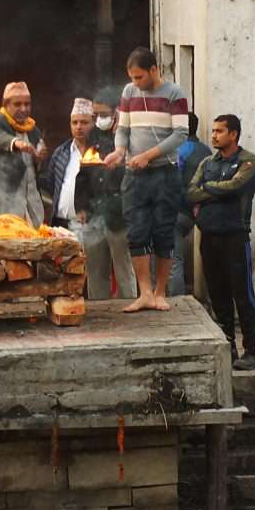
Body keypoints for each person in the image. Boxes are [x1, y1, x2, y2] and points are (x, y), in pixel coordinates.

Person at [103, 47, 189, 312]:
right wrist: (119, 151)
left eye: (140, 77)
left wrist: (148, 155)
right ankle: (145, 293)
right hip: (134, 174)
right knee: (137, 232)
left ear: (154, 70)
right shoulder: (129, 93)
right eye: (132, 77)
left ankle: (161, 292)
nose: (136, 83)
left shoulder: (175, 93)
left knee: (164, 231)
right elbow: (123, 128)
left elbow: (180, 134)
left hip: (164, 171)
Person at [187, 114, 255, 370]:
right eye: (214, 131)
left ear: (234, 134)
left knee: (242, 295)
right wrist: (217, 190)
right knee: (218, 295)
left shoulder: (248, 160)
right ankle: (227, 346)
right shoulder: (208, 161)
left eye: (220, 131)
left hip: (235, 235)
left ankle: (252, 351)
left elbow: (237, 187)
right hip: (209, 235)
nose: (214, 135)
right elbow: (191, 191)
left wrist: (209, 190)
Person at [72, 89, 137, 300]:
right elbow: (82, 176)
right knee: (95, 269)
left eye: (104, 114)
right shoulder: (93, 139)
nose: (100, 119)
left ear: (116, 112)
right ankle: (99, 309)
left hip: (119, 215)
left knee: (123, 267)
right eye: (96, 115)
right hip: (93, 213)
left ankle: (130, 309)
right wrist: (81, 207)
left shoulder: (129, 137)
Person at [0, 82, 48, 227]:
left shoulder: (34, 130)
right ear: (6, 105)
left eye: (27, 104)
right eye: (17, 104)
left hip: (32, 207)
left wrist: (39, 158)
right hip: (1, 208)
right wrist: (16, 143)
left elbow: (37, 169)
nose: (23, 109)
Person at [172, 113, 212, 297]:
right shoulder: (206, 151)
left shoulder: (176, 151)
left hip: (174, 210)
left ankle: (177, 304)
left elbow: (175, 182)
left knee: (173, 261)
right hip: (195, 212)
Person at [42, 98, 95, 229]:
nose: (79, 127)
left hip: (90, 225)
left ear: (93, 123)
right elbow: (51, 184)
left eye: (84, 122)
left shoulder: (100, 152)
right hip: (61, 223)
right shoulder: (61, 153)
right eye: (74, 122)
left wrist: (89, 211)